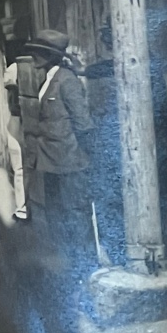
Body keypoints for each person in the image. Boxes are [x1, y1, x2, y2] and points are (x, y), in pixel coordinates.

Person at [19, 29, 96, 318]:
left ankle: (85, 276)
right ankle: (66, 274)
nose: (34, 56)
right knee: (56, 218)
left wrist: (88, 157)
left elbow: (83, 122)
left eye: (39, 51)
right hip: (49, 163)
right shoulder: (47, 78)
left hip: (69, 163)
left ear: (50, 55)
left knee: (76, 218)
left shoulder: (67, 81)